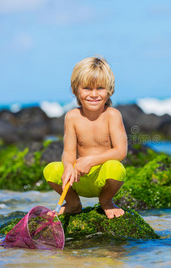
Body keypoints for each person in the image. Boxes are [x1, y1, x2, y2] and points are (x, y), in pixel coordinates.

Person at [43, 56, 127, 219]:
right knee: (51, 169)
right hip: (78, 179)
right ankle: (73, 203)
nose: (94, 94)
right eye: (87, 88)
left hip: (101, 179)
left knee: (116, 168)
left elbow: (120, 151)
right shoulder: (72, 117)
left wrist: (91, 160)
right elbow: (68, 151)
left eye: (100, 88)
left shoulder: (112, 115)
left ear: (109, 90)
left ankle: (106, 201)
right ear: (76, 90)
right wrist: (68, 166)